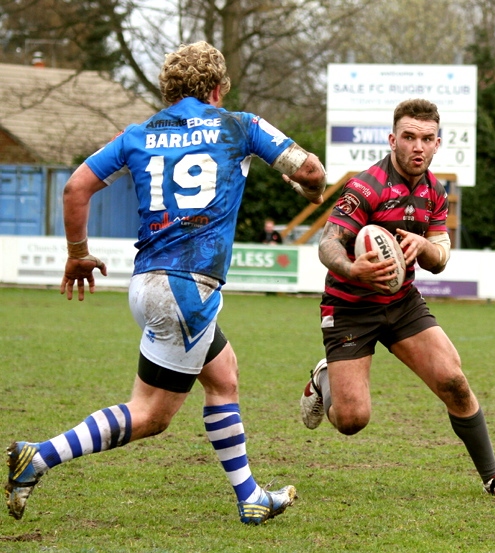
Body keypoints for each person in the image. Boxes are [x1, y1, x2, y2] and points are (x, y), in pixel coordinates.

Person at [5, 41, 326, 525]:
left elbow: (75, 188)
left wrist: (77, 255)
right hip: (187, 290)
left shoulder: (138, 134)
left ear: (169, 89)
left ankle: (251, 496)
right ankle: (39, 456)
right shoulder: (239, 125)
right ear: (218, 88)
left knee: (224, 376)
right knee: (151, 415)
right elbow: (311, 171)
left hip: (150, 284)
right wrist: (307, 186)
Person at [300, 98, 495, 498]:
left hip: (402, 302)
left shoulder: (434, 192)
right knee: (352, 420)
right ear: (393, 140)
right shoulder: (365, 186)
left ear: (437, 143)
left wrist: (424, 245)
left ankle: (494, 478)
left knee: (454, 382)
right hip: (351, 307)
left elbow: (440, 259)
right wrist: (355, 269)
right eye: (409, 137)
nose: (418, 146)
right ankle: (323, 381)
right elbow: (328, 243)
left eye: (427, 138)